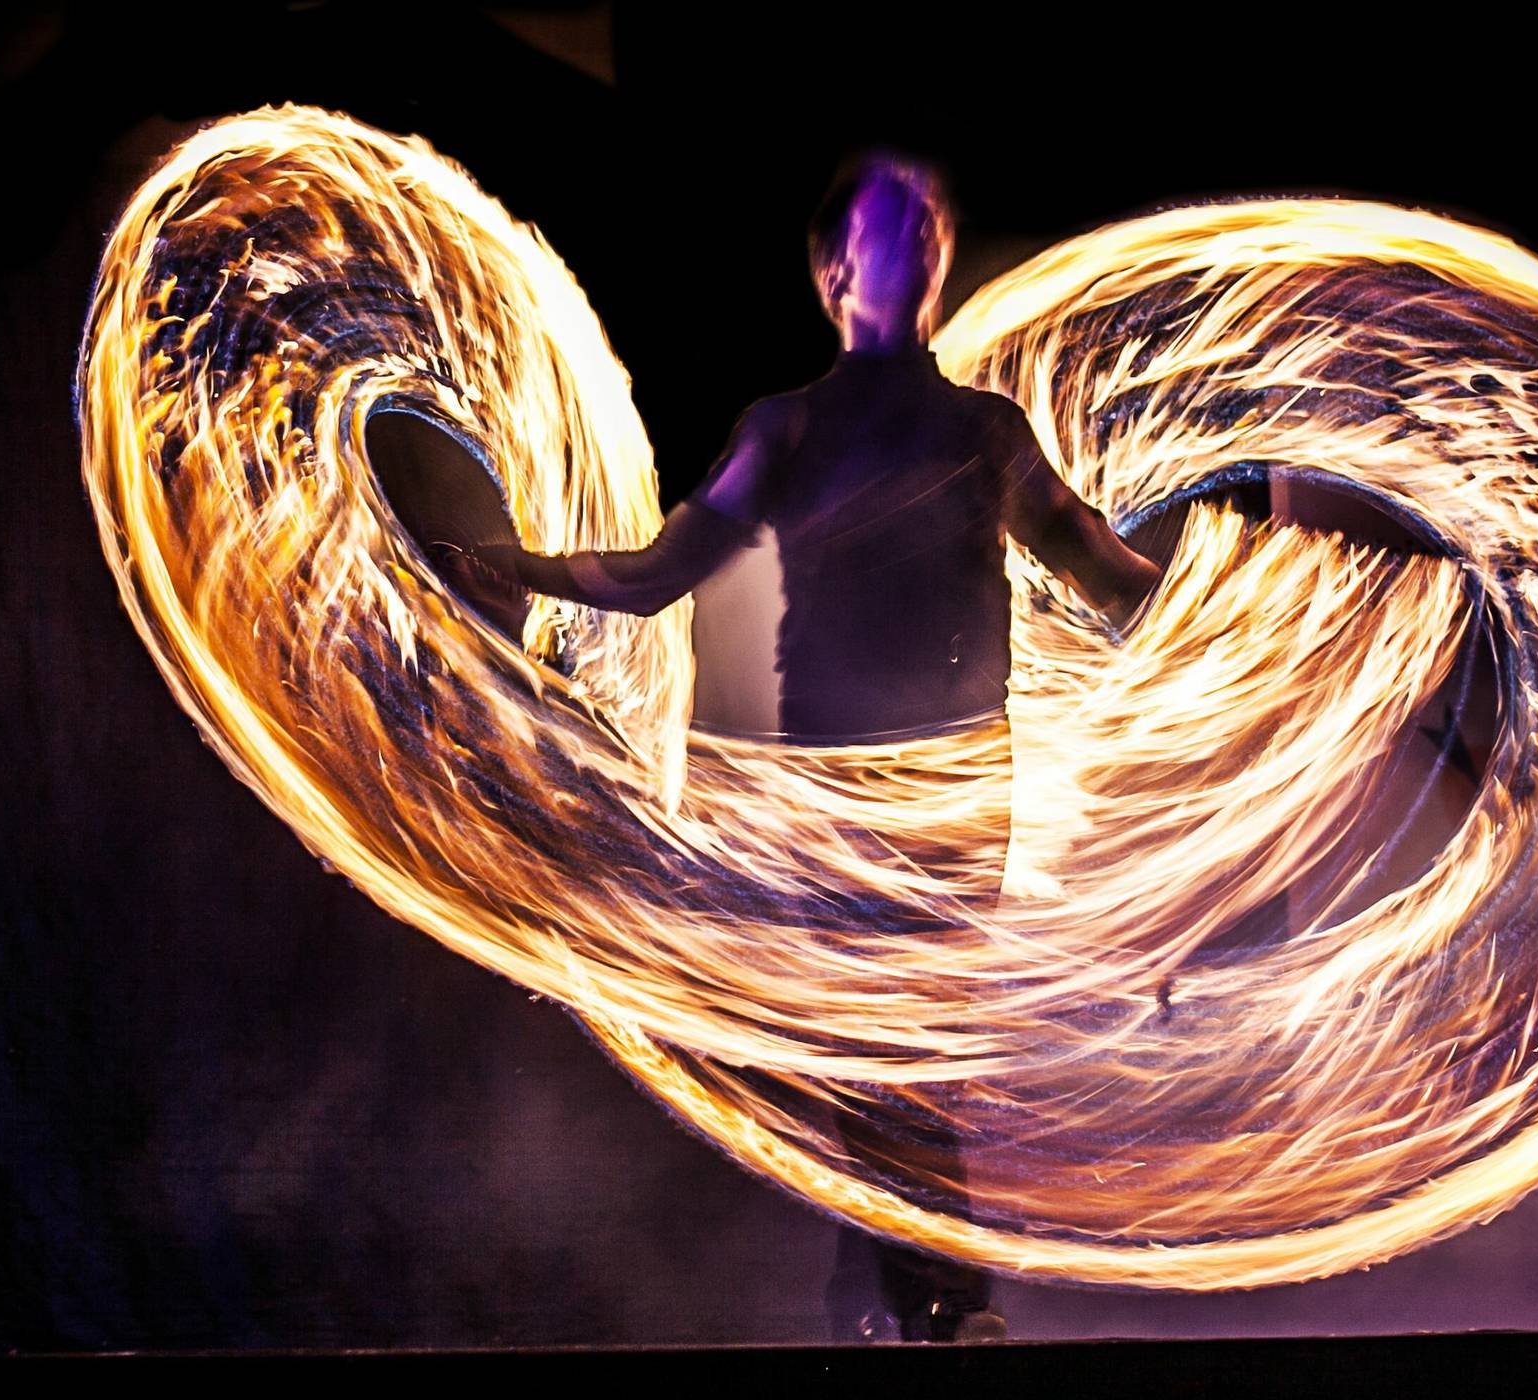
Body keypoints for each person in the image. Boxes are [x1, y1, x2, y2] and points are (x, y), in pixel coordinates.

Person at [465, 151, 1164, 1342]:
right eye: (900, 230)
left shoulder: (989, 435)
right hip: (832, 792)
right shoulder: (782, 432)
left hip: (952, 790)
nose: (925, 248)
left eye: (934, 230)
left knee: (893, 1048)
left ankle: (934, 1298)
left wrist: (1267, 602)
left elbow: (1113, 582)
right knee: (869, 1055)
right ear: (837, 272)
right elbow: (654, 577)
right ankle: (902, 1292)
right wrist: (516, 565)